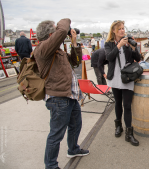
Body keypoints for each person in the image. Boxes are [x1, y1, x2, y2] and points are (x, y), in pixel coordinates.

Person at [34, 19, 89, 169]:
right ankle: (51, 165)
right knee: (56, 134)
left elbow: (76, 62)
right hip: (58, 99)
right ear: (52, 34)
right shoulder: (42, 49)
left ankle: (73, 149)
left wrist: (74, 42)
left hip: (70, 96)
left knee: (75, 125)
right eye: (57, 31)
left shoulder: (58, 51)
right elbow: (63, 26)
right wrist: (65, 24)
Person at [105, 20, 141, 146]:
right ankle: (118, 126)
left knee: (127, 105)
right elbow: (109, 57)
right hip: (115, 78)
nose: (122, 30)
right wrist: (119, 45)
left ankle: (129, 134)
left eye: (123, 28)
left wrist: (133, 48)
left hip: (127, 78)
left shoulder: (128, 42)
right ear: (113, 31)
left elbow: (138, 59)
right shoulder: (109, 44)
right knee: (118, 103)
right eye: (119, 28)